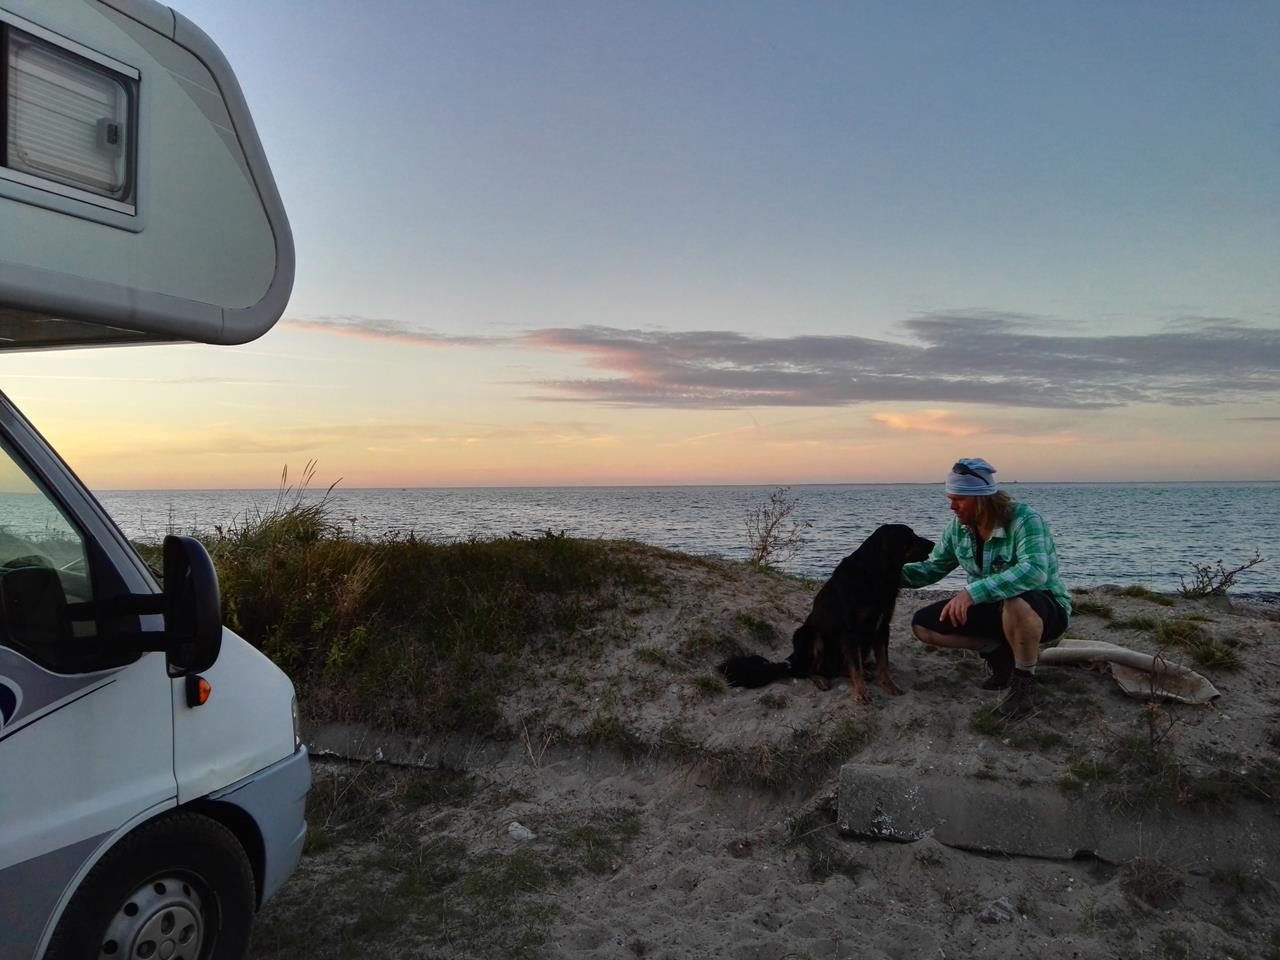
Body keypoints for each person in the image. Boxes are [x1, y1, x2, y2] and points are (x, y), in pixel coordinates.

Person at [900, 458, 1071, 720]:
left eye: (959, 499)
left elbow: (1036, 570)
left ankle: (1023, 682)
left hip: (1043, 608)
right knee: (923, 625)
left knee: (1014, 600)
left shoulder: (1025, 520)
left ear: (981, 498)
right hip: (994, 609)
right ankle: (999, 653)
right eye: (950, 497)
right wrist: (881, 574)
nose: (952, 506)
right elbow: (932, 568)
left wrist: (972, 593)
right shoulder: (957, 530)